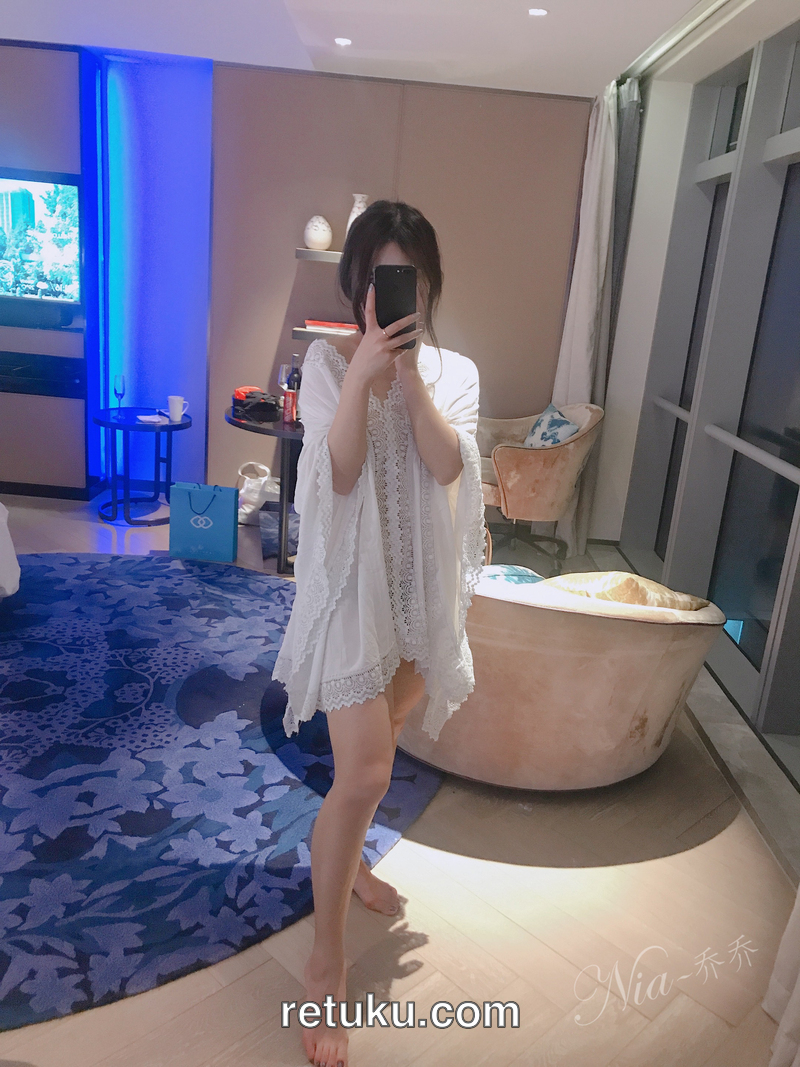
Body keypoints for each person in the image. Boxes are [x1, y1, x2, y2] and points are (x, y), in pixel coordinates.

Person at [272, 200, 485, 1067]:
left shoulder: (456, 371)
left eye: (408, 279)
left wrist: (410, 381)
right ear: (356, 286)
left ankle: (350, 860)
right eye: (378, 279)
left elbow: (448, 464)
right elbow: (340, 471)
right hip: (353, 596)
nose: (393, 295)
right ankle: (324, 964)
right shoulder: (327, 365)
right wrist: (364, 373)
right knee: (365, 771)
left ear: (427, 285)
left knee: (381, 742)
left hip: (418, 595)